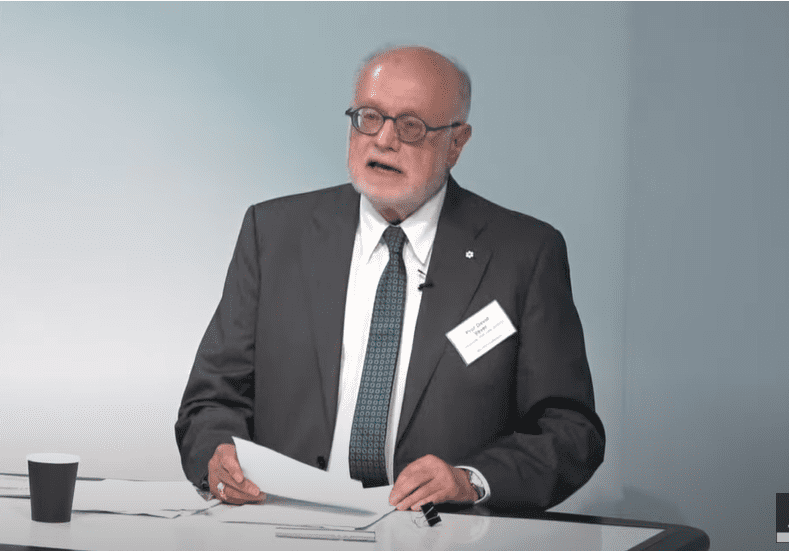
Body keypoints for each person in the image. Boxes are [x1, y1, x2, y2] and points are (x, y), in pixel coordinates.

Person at [175, 45, 604, 512]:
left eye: (411, 127)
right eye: (369, 117)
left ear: (457, 142)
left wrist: (471, 480)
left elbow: (570, 429)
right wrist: (217, 457)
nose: (383, 140)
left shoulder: (524, 254)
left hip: (439, 533)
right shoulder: (275, 234)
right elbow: (210, 399)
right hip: (285, 522)